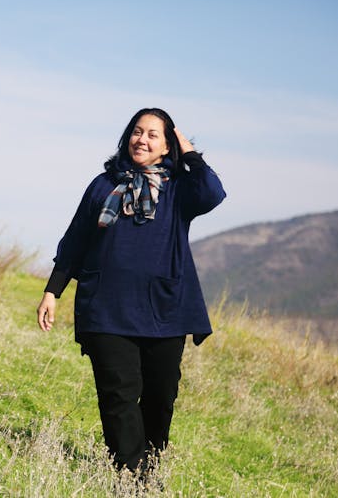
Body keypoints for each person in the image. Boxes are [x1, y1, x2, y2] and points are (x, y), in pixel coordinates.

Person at [36, 107, 226, 475]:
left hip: (165, 311)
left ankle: (149, 468)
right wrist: (52, 291)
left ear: (166, 145)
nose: (142, 139)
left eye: (153, 135)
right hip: (106, 308)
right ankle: (129, 477)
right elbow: (77, 239)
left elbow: (213, 192)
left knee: (160, 398)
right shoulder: (103, 185)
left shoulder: (180, 189)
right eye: (137, 132)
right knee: (118, 396)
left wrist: (189, 153)